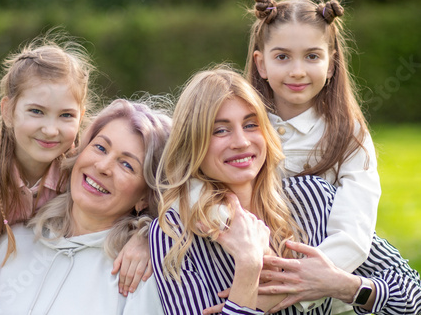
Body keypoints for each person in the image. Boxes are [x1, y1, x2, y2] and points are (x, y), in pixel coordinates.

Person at [149, 67, 421, 315]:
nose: (241, 142)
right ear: (191, 143)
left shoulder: (311, 197)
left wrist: (342, 285)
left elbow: (413, 297)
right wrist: (248, 266)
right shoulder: (173, 233)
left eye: (251, 124)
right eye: (220, 130)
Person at [0, 32, 150, 315]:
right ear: (8, 111)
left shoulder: (78, 171)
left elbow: (167, 196)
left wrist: (147, 238)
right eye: (37, 111)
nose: (51, 130)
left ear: (81, 116)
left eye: (65, 116)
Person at [244, 0, 381, 314]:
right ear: (261, 63)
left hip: (316, 298)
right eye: (282, 57)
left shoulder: (348, 135)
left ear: (331, 63)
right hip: (237, 280)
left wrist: (288, 288)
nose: (297, 71)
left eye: (312, 56)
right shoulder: (237, 126)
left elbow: (354, 233)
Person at [0, 99, 170, 314]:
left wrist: (149, 236)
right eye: (100, 147)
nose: (102, 167)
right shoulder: (11, 241)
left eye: (127, 165)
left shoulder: (139, 275)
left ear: (145, 198)